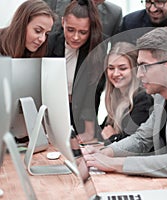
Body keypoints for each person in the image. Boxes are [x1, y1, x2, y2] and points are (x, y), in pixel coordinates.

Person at [83, 27, 167, 179]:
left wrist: (112, 164)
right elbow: (142, 138)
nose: (139, 73)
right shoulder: (161, 95)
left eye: (145, 66)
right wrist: (103, 153)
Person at [46, 0, 103, 143]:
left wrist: (89, 132)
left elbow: (93, 92)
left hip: (81, 117)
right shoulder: (49, 42)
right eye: (70, 30)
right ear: (63, 22)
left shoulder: (96, 49)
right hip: (49, 112)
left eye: (83, 32)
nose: (76, 37)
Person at [100, 41, 153, 145]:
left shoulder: (143, 99)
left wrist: (112, 137)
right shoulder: (117, 97)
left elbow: (131, 143)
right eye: (111, 68)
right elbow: (104, 130)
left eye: (122, 68)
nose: (115, 73)